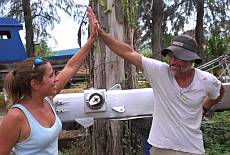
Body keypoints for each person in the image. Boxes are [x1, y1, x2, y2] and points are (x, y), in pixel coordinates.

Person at [88, 9, 225, 155]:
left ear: (192, 60)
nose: (172, 61)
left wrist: (204, 108)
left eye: (179, 57)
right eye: (170, 56)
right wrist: (101, 34)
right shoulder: (160, 72)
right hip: (161, 147)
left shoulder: (206, 80)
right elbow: (129, 53)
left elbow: (219, 91)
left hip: (191, 148)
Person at [0, 6, 97, 155]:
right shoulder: (16, 117)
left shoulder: (48, 100)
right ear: (35, 84)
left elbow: (70, 67)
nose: (55, 79)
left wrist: (91, 39)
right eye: (51, 75)